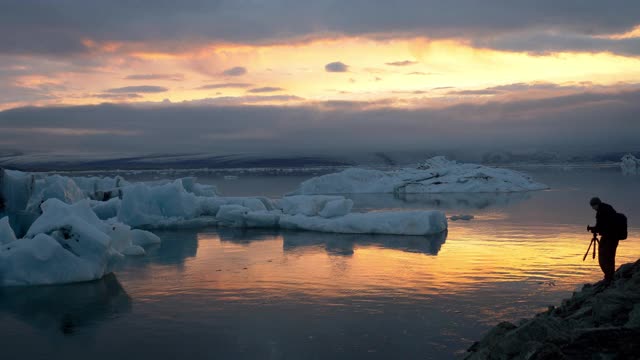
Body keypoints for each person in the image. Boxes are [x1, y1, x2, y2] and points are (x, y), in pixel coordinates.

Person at [587, 197, 620, 285]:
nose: (593, 208)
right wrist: (596, 228)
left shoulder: (601, 212)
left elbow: (602, 225)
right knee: (610, 257)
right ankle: (610, 276)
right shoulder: (608, 208)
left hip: (608, 237)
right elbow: (605, 224)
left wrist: (594, 229)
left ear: (595, 204)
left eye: (593, 206)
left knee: (603, 257)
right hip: (615, 237)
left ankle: (608, 277)